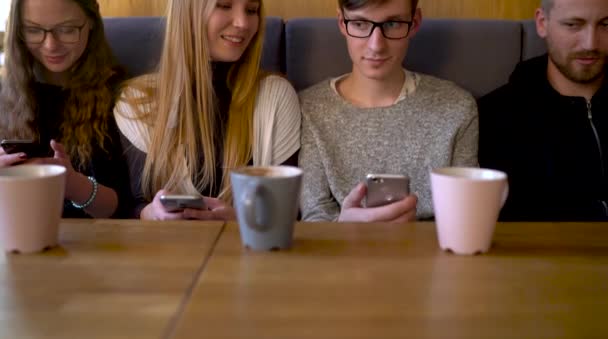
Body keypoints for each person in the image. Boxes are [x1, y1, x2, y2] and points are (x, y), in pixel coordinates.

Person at [114, 0, 301, 221]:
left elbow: (291, 211)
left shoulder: (276, 96)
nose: (243, 23)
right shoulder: (136, 102)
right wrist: (151, 214)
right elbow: (130, 205)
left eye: (251, 10)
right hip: (165, 250)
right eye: (223, 5)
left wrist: (241, 221)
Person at [298, 0, 478, 222]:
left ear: (414, 23)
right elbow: (315, 216)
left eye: (392, 23)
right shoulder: (310, 108)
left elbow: (467, 213)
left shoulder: (457, 106)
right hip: (343, 251)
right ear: (342, 23)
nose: (376, 45)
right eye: (360, 24)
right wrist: (344, 227)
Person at [478, 0, 608, 221]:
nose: (590, 43)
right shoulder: (494, 116)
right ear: (542, 23)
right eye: (573, 25)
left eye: (605, 24)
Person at [0, 0, 131, 218]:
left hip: (98, 242)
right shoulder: (5, 96)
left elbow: (126, 208)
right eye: (33, 30)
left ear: (91, 22)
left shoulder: (122, 96)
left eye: (67, 30)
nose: (50, 45)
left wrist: (73, 185)